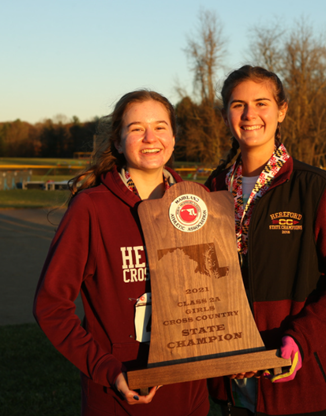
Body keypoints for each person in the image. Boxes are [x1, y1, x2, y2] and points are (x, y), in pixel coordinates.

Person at [204, 66, 326, 416]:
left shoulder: (316, 189)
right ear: (225, 116)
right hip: (229, 377)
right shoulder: (211, 189)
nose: (250, 115)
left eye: (261, 103)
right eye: (238, 105)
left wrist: (301, 337)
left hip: (296, 379)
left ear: (282, 110)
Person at [33, 90, 209, 416]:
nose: (150, 137)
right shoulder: (91, 208)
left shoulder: (197, 202)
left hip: (190, 391)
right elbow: (50, 305)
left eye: (160, 126)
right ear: (117, 141)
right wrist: (107, 369)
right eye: (137, 128)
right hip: (122, 392)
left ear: (173, 137)